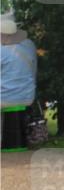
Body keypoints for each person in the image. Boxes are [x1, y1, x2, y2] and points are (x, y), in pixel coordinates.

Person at [1, 14, 38, 151]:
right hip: (28, 96)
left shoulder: (1, 51)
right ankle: (18, 141)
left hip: (6, 98)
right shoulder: (29, 45)